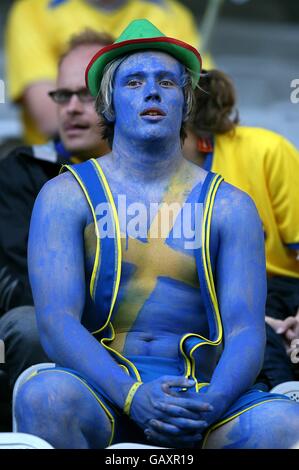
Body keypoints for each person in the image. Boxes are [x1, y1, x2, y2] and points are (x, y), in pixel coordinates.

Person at [15, 19, 299, 449]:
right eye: (133, 82)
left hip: (202, 398)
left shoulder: (231, 206)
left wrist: (211, 403)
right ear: (107, 105)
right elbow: (56, 322)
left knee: (284, 423)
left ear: (186, 104)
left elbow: (245, 332)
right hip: (101, 394)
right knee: (46, 396)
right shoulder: (64, 196)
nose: (151, 91)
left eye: (167, 82)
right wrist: (131, 396)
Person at [0, 29, 113, 390]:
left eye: (86, 94)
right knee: (30, 328)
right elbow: (22, 284)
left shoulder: (163, 179)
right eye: (63, 95)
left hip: (141, 335)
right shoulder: (25, 170)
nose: (71, 108)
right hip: (56, 325)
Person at [183, 69, 299, 389]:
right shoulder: (146, 178)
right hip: (215, 301)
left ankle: (283, 396)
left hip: (285, 289)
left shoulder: (267, 151)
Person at [5, 0, 213, 145]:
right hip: (57, 163)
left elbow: (203, 103)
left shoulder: (172, 13)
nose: (73, 107)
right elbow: (50, 119)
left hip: (154, 163)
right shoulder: (34, 9)